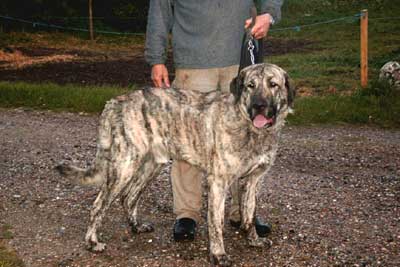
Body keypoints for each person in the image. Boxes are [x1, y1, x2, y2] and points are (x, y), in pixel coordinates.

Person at [144, 0, 284, 241]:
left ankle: (243, 214)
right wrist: (156, 59)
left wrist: (268, 15)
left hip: (242, 63)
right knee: (188, 141)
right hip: (193, 66)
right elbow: (160, 11)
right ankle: (187, 214)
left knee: (247, 142)